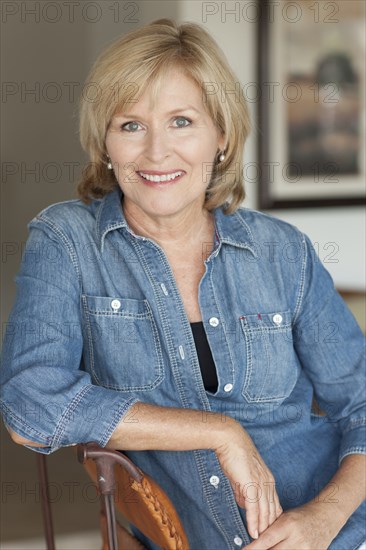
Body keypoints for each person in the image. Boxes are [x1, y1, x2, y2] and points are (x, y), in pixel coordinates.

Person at [1, 18, 365, 550]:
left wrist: (323, 519)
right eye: (130, 125)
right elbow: (29, 406)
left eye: (181, 121)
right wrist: (220, 433)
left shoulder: (282, 251)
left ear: (221, 136)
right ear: (104, 140)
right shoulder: (67, 241)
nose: (155, 152)